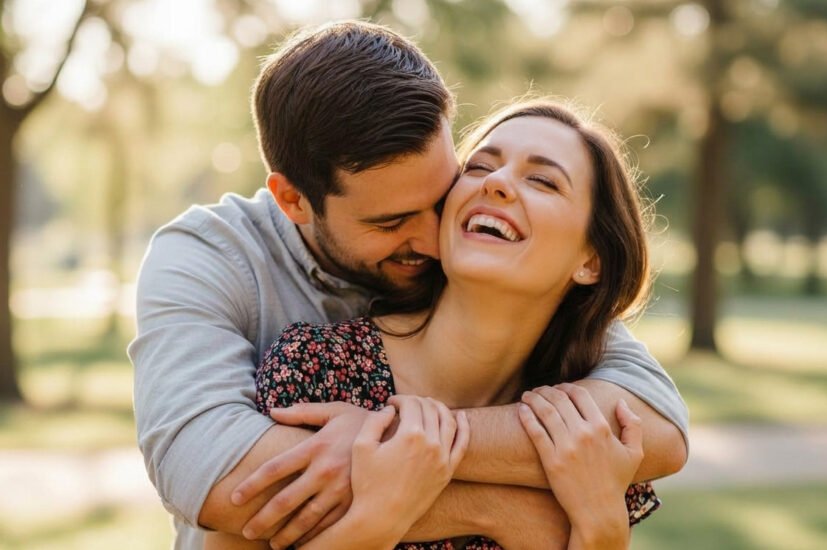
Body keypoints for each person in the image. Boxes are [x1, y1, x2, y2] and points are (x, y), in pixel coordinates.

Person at [130, 21, 688, 550]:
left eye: (442, 193)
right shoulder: (225, 275)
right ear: (295, 200)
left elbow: (656, 432)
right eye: (391, 222)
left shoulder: (549, 351)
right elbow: (214, 476)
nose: (428, 239)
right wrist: (500, 511)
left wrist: (401, 441)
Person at [207, 98, 661, 550]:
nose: (498, 182)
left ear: (592, 260)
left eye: (542, 180)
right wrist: (376, 520)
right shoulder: (318, 369)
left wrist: (603, 531)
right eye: (480, 167)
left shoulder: (581, 436)